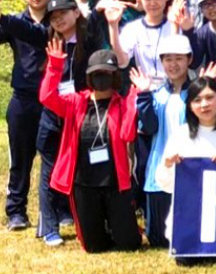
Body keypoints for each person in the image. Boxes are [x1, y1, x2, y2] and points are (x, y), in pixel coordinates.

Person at [39, 43, 141, 253]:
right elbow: (47, 97)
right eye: (97, 73)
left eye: (106, 73)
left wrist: (133, 98)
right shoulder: (75, 102)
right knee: (94, 247)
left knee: (129, 244)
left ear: (114, 77)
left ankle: (121, 225)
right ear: (89, 77)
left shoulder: (121, 104)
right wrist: (55, 66)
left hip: (115, 183)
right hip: (84, 183)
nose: (101, 78)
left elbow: (127, 134)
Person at [35, 0, 107, 246]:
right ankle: (49, 227)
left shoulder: (90, 39)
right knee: (49, 171)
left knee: (81, 170)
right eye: (53, 18)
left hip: (82, 118)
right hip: (53, 118)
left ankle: (84, 220)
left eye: (63, 14)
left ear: (76, 13)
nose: (58, 20)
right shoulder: (50, 42)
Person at [154, 78, 216, 235]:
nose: (204, 104)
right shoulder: (179, 135)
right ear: (190, 106)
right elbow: (165, 185)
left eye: (210, 97)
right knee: (188, 260)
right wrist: (168, 165)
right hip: (190, 214)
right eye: (197, 100)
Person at [0, 0, 54, 234]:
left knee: (53, 157)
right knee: (20, 159)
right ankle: (16, 212)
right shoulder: (13, 21)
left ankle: (57, 210)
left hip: (52, 100)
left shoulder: (58, 21)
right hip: (22, 99)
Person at [132, 32, 194, 247]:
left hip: (192, 170)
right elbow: (149, 127)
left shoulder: (198, 93)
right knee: (158, 238)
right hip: (160, 171)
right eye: (168, 59)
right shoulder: (156, 95)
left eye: (179, 58)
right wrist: (144, 95)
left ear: (189, 60)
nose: (173, 64)